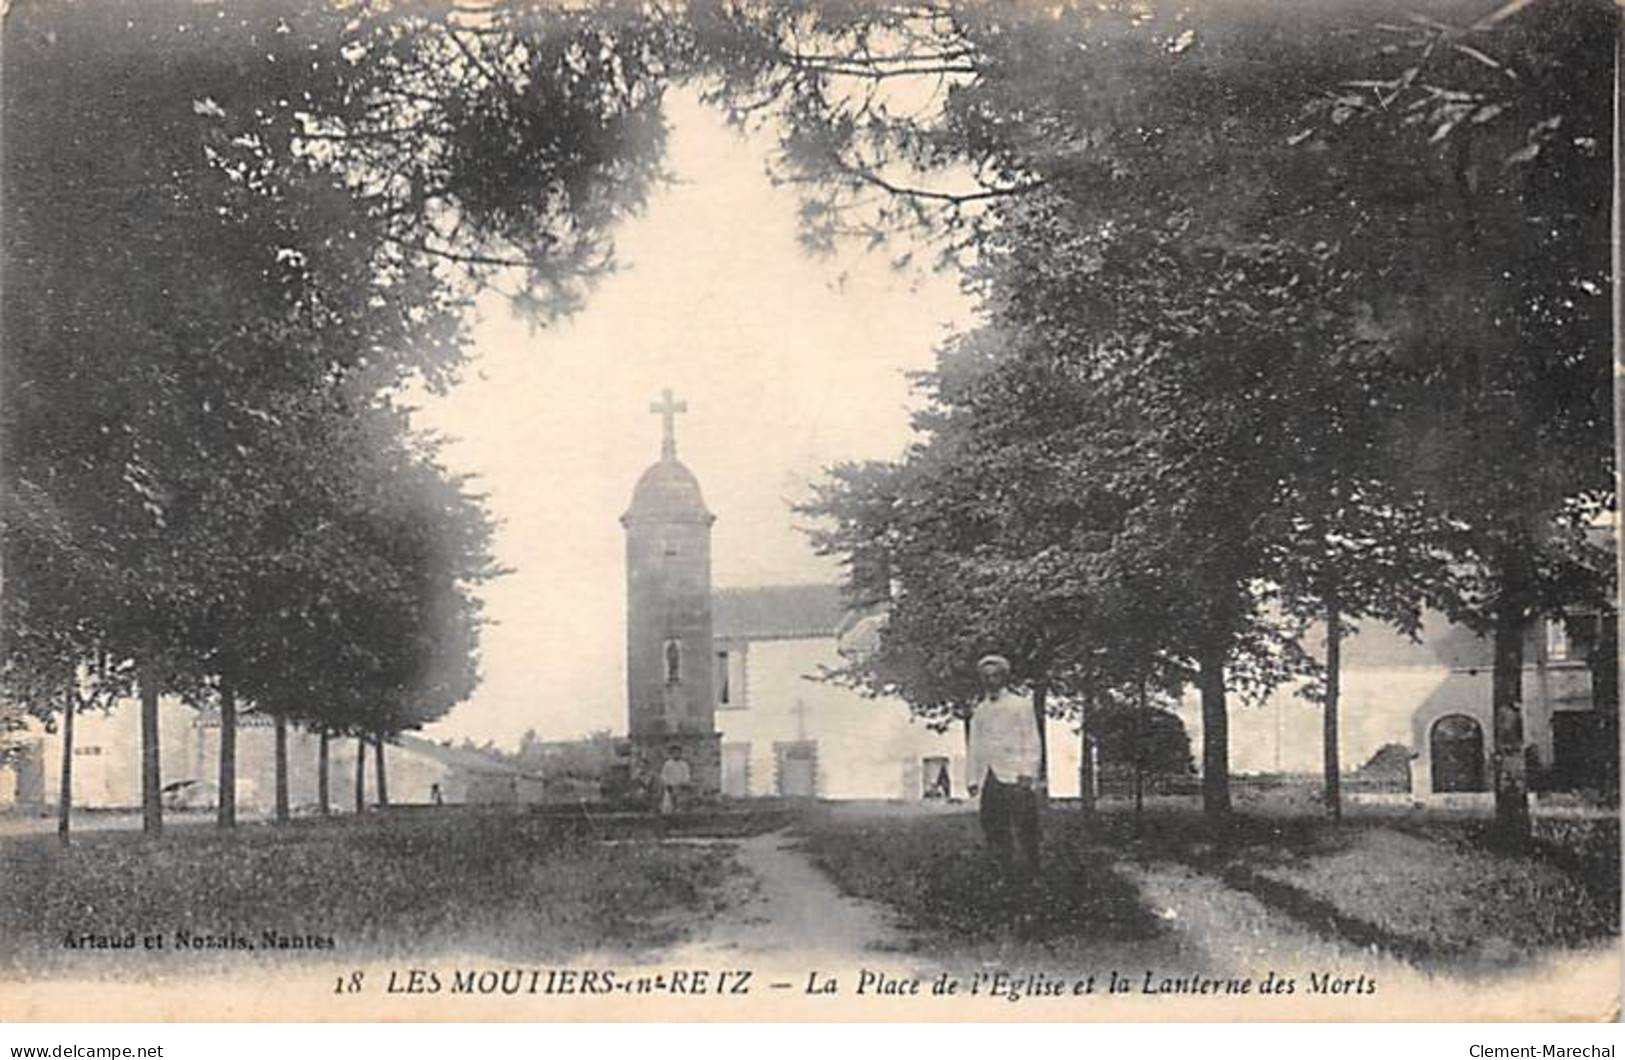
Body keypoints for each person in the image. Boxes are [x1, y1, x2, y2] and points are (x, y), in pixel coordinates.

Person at [966, 654, 1043, 878]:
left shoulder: (1020, 705)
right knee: (993, 826)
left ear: (1004, 678)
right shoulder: (980, 710)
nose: (990, 681)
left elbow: (1031, 739)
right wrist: (972, 778)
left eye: (995, 676)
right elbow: (975, 745)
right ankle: (1002, 872)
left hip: (1016, 776)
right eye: (986, 677)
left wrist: (1027, 773)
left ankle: (1032, 871)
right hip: (991, 777)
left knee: (1025, 827)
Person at [659, 745, 691, 815]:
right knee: (668, 807)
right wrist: (668, 784)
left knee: (680, 807)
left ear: (680, 754)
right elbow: (663, 775)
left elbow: (687, 775)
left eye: (678, 753)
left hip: (680, 788)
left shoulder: (684, 764)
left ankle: (680, 821)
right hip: (670, 788)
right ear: (672, 753)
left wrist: (683, 783)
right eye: (674, 752)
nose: (676, 754)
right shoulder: (667, 764)